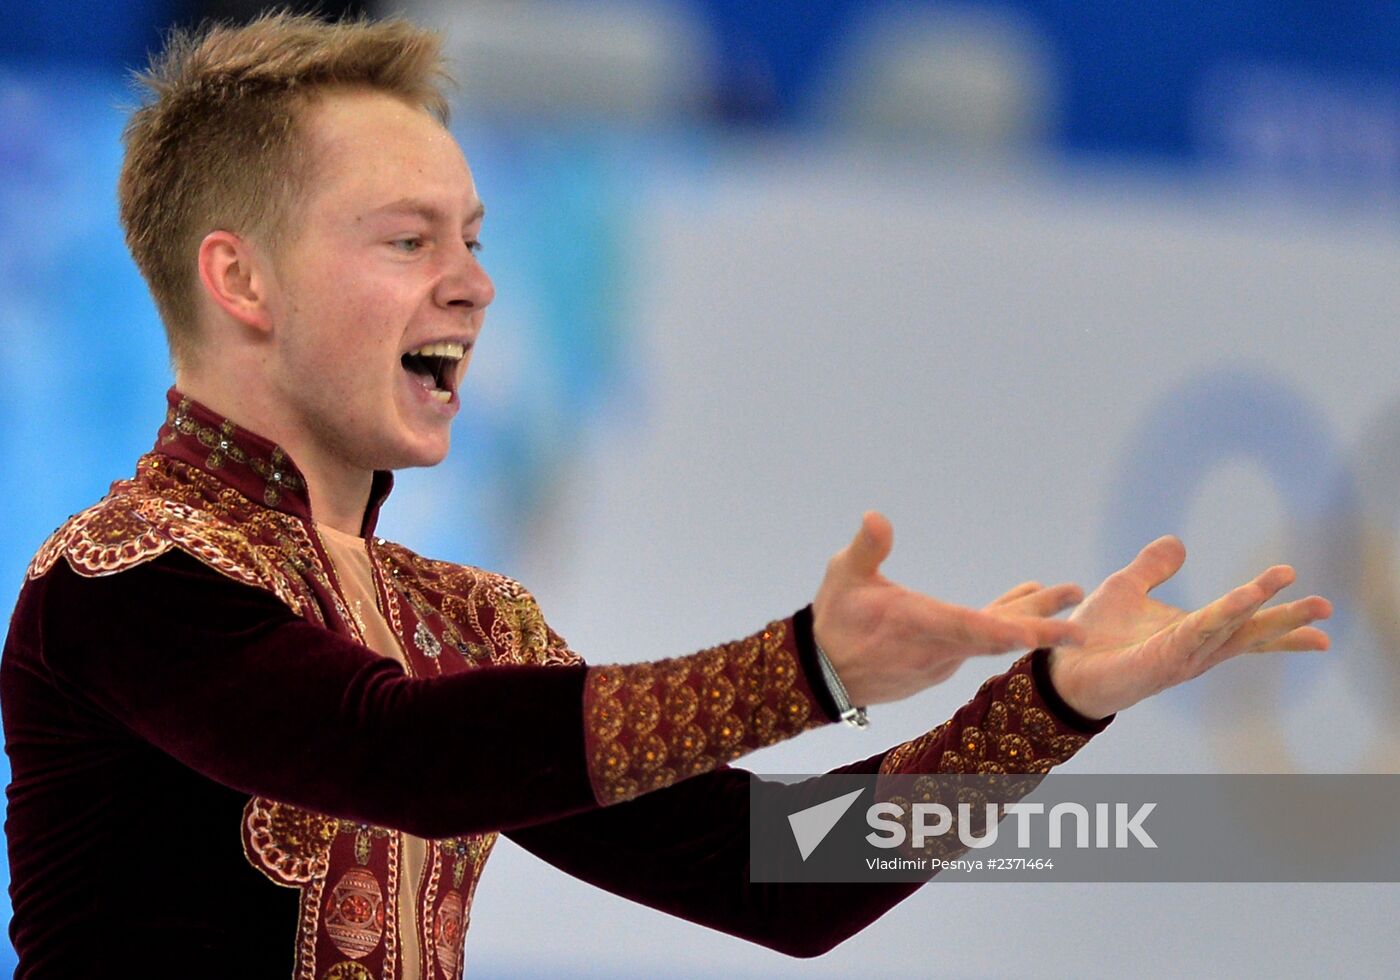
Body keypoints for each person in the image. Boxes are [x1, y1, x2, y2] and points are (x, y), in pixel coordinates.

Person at [0, 12, 1332, 979]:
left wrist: (1048, 708)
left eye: (473, 238)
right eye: (407, 242)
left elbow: (784, 877)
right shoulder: (122, 582)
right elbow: (397, 758)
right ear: (241, 282)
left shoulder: (466, 621)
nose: (473, 284)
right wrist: (800, 666)